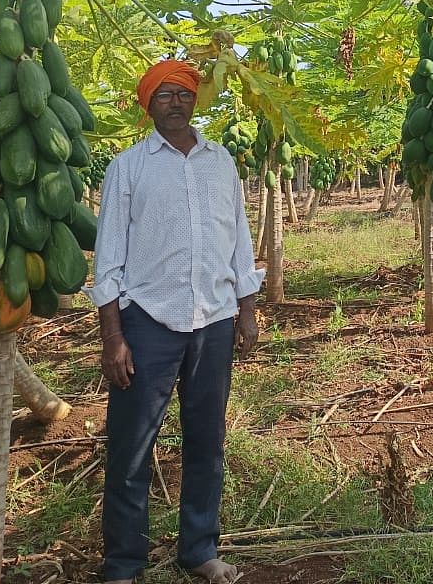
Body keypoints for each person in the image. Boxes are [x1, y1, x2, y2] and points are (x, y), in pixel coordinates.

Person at [89, 59, 262, 584]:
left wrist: (248, 309)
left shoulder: (221, 162)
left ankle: (199, 549)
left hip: (213, 320)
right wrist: (113, 336)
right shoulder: (128, 167)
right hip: (147, 321)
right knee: (131, 447)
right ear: (148, 104)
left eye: (183, 93)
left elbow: (239, 237)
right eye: (163, 94)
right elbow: (108, 258)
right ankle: (123, 564)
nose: (175, 102)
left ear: (195, 100)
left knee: (206, 443)